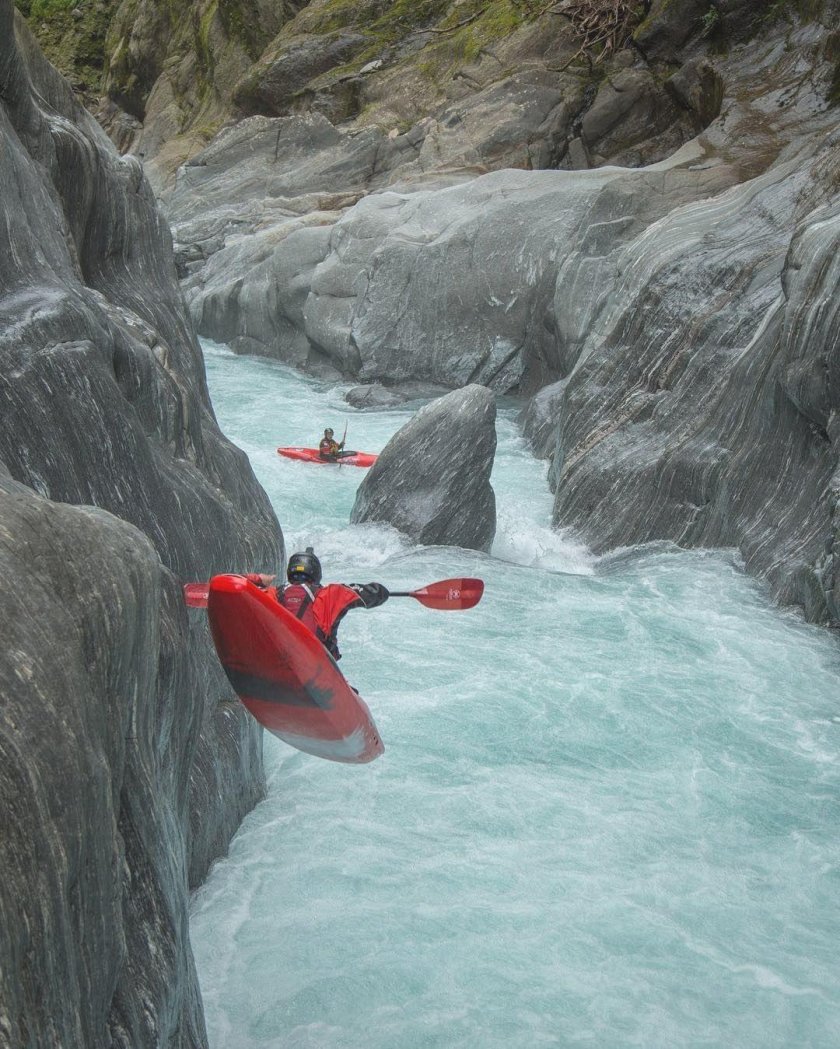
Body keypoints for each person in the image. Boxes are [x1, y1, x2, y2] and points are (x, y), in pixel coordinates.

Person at [249, 547, 388, 661]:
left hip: (277, 657)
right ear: (316, 573)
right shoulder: (329, 595)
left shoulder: (270, 594)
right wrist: (380, 591)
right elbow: (375, 594)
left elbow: (231, 581)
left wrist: (259, 579)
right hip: (315, 665)